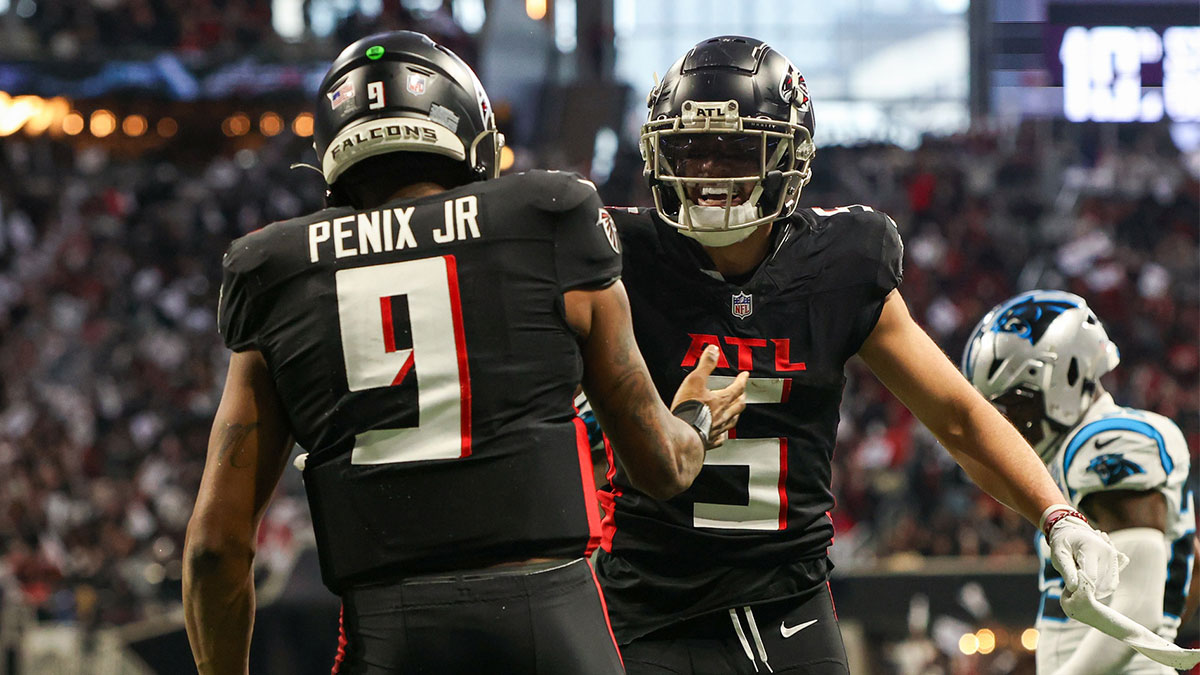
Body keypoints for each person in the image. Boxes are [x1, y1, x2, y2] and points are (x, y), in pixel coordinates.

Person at [182, 31, 748, 675]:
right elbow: (660, 467)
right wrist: (698, 420)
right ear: (473, 140)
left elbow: (215, 548)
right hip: (552, 625)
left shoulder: (273, 269)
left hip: (388, 635)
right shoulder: (553, 216)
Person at [592, 35, 1126, 674]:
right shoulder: (620, 254)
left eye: (734, 148)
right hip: (644, 597)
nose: (710, 173)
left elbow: (955, 414)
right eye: (690, 150)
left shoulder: (839, 262)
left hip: (787, 602)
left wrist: (1056, 511)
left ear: (790, 155)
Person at [962, 290, 1194, 674]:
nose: (1005, 424)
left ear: (1064, 378)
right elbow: (1192, 565)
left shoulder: (1111, 440)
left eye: (1014, 404)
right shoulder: (1086, 447)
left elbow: (1139, 603)